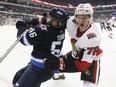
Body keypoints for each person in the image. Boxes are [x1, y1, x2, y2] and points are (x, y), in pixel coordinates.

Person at [44, 3, 103, 87]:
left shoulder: (93, 38)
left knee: (89, 85)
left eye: (84, 18)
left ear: (90, 17)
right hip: (76, 52)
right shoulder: (71, 22)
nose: (81, 21)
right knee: (58, 60)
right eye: (79, 17)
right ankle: (60, 74)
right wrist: (38, 21)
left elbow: (83, 65)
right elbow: (56, 21)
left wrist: (61, 66)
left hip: (91, 58)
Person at [12, 8, 69, 87]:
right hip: (50, 66)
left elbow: (23, 39)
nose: (48, 19)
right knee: (17, 77)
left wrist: (22, 25)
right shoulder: (62, 28)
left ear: (56, 22)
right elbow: (45, 20)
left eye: (51, 18)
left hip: (39, 68)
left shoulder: (43, 31)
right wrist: (38, 20)